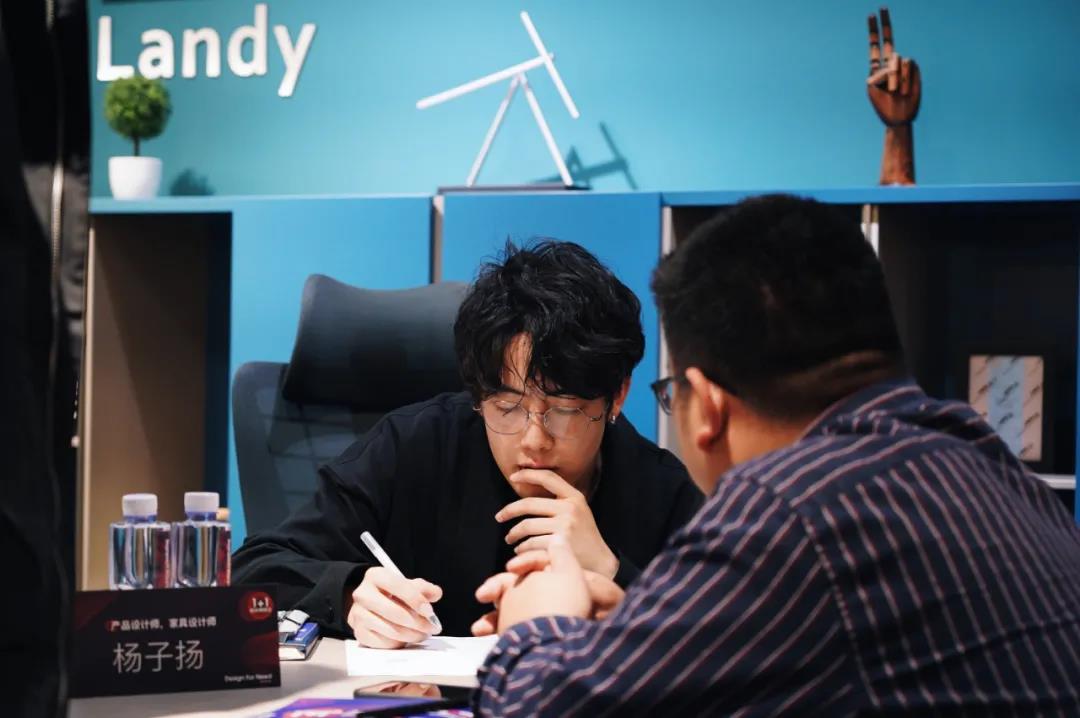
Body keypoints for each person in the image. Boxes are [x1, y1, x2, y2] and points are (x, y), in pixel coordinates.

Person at [470, 195, 1080, 715]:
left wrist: (536, 621)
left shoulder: (787, 509)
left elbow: (536, 707)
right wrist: (635, 630)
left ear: (708, 406)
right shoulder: (985, 456)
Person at [232, 240, 702, 647]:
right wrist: (350, 592)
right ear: (478, 396)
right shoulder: (414, 446)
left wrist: (611, 569)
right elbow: (252, 570)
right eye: (508, 407)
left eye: (564, 409)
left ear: (616, 395)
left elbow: (713, 646)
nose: (534, 440)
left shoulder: (658, 489)